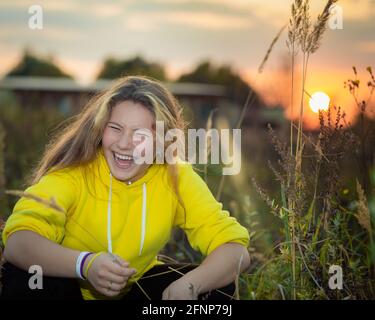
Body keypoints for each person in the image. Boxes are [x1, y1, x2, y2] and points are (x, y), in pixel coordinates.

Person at [0, 76, 250, 300]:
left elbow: (236, 251)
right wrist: (85, 265)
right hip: (69, 290)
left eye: (140, 134)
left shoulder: (175, 175)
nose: (124, 144)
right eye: (115, 128)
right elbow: (18, 243)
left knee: (215, 287)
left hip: (133, 293)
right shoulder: (75, 173)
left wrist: (189, 287)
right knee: (28, 277)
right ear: (100, 129)